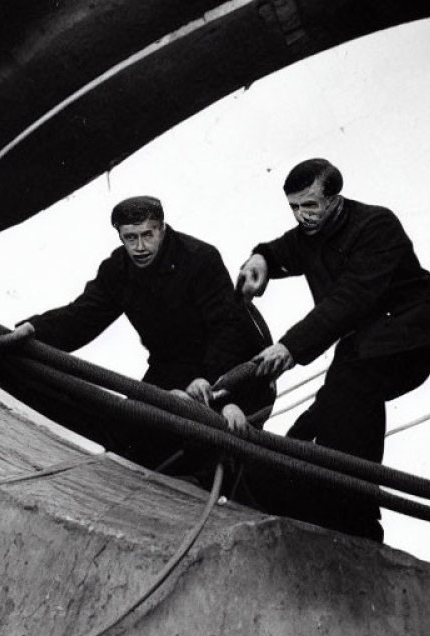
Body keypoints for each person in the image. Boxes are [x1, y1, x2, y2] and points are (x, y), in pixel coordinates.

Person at [235, 158, 430, 541]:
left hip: (405, 341)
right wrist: (260, 259)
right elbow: (279, 250)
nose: (303, 217)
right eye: (294, 208)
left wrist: (289, 347)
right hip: (360, 349)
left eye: (311, 206)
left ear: (335, 199)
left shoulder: (376, 225)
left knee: (350, 395)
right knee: (314, 423)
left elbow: (349, 300)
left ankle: (357, 517)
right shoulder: (308, 234)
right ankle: (288, 485)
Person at [15, 195, 274, 468]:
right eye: (130, 237)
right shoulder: (118, 269)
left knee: (208, 449)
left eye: (148, 235)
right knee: (126, 433)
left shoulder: (200, 259)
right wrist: (33, 330)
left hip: (233, 372)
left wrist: (210, 381)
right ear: (120, 236)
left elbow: (227, 331)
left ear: (162, 229)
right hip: (170, 368)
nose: (140, 247)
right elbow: (81, 317)